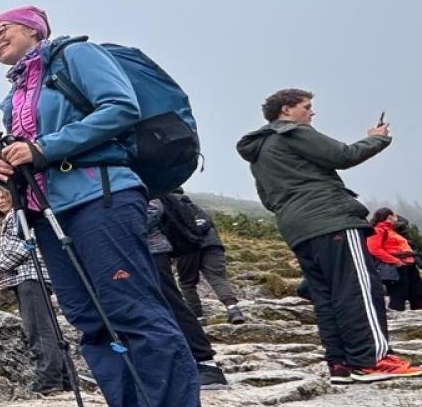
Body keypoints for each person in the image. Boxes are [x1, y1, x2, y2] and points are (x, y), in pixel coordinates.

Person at [0, 4, 217, 407]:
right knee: (91, 322)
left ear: (33, 29)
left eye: (0, 30)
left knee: (132, 312)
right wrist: (7, 167)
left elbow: (121, 107)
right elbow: (32, 149)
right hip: (48, 211)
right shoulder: (13, 97)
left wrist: (45, 149)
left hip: (101, 196)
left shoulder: (76, 56)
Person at [238, 90, 422, 383]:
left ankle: (341, 364)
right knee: (359, 289)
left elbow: (267, 199)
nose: (312, 114)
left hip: (298, 229)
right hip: (332, 220)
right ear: (286, 110)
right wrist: (378, 137)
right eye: (307, 107)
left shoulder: (259, 153)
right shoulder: (293, 132)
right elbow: (343, 156)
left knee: (326, 296)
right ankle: (372, 360)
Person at [0, 186, 74, 395]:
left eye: (3, 196)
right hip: (38, 276)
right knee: (49, 327)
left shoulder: (17, 215)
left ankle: (48, 380)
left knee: (38, 329)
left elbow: (22, 246)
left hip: (30, 277)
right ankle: (66, 378)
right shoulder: (24, 213)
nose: (0, 201)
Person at [147, 199, 228, 387]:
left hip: (149, 250)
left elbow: (153, 205)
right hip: (127, 249)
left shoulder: (133, 174)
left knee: (171, 303)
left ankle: (206, 363)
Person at [167, 191, 246, 324]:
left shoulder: (165, 204)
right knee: (217, 278)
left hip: (187, 246)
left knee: (187, 282)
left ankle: (197, 317)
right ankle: (233, 309)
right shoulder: (195, 207)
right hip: (212, 244)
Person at [369, 208, 422, 312]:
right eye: (395, 216)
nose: (397, 218)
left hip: (409, 265)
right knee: (398, 296)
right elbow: (374, 249)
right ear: (389, 217)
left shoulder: (393, 230)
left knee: (417, 293)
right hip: (396, 267)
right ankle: (398, 321)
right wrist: (395, 261)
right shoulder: (377, 230)